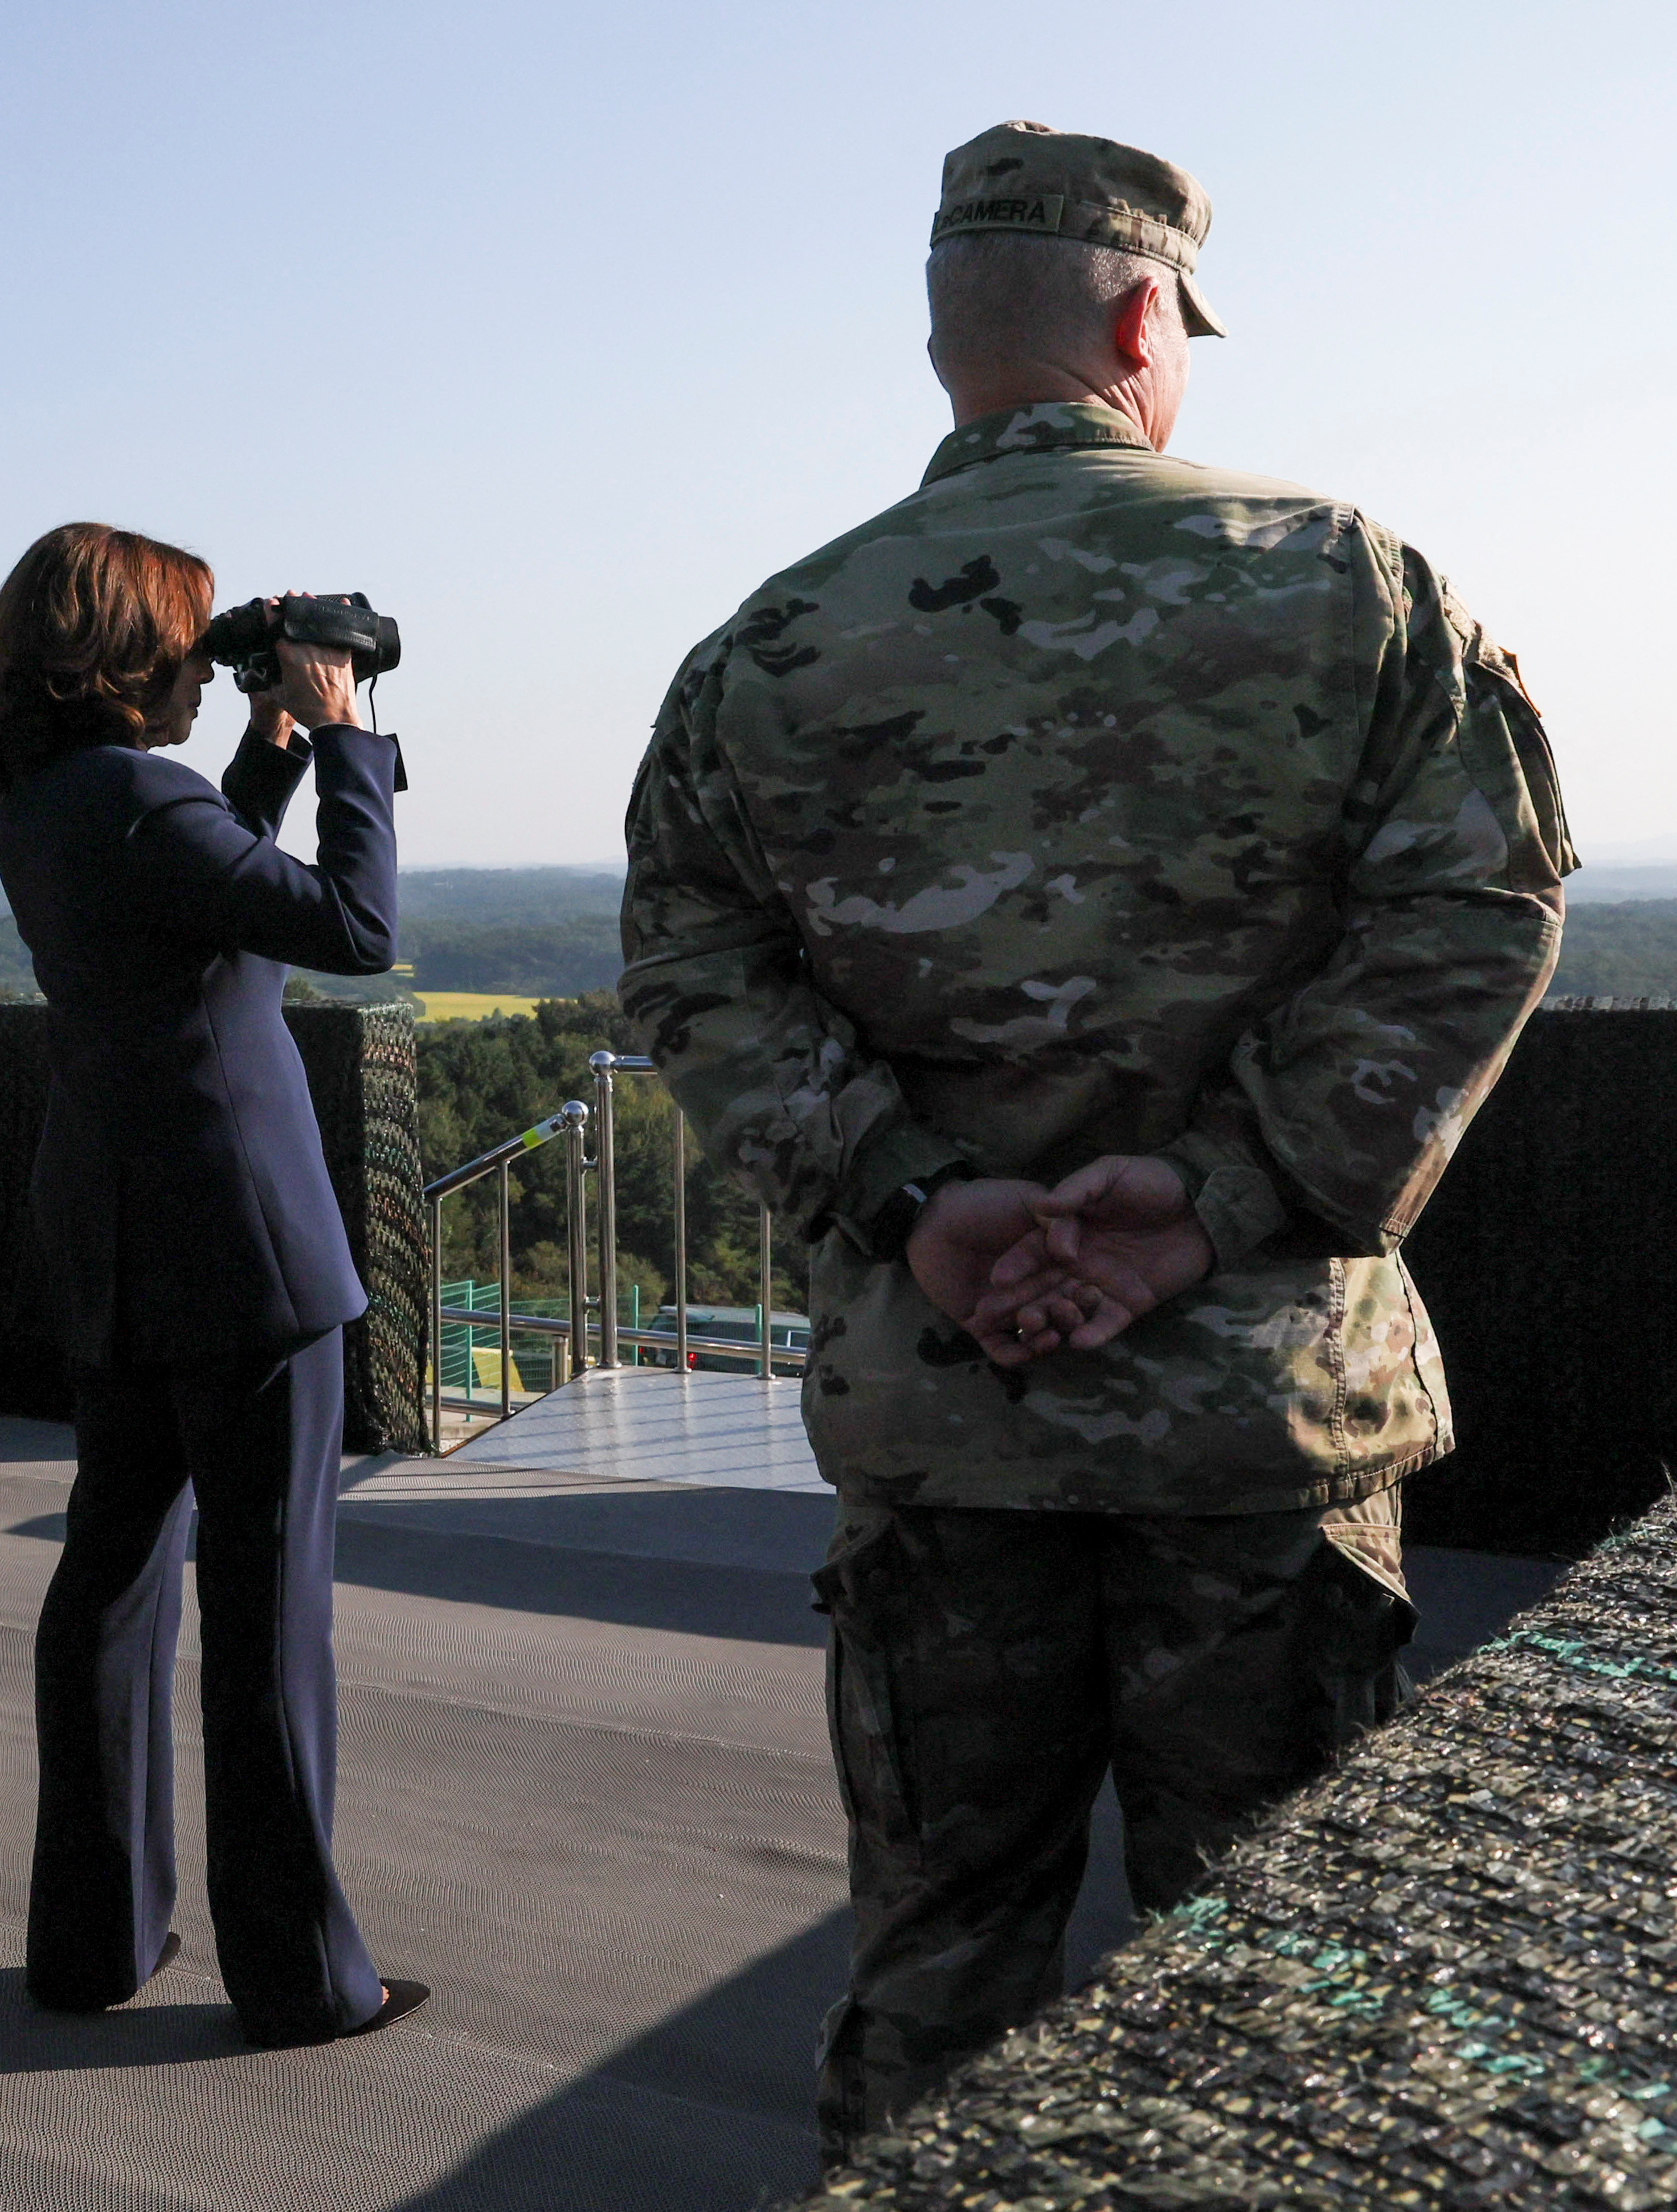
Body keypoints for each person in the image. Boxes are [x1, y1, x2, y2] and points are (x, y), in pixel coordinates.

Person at [618, 123, 1572, 2161]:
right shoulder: (1350, 587)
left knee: (941, 1960)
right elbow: (1475, 910)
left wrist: (918, 1204)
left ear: (949, 343)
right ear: (1144, 316)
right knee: (1270, 1993)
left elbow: (688, 968)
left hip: (942, 1416)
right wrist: (1213, 1202)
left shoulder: (766, 647)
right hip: (1254, 1423)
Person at [0, 522, 428, 2047]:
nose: (197, 661)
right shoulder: (130, 798)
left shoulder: (54, 801)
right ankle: (298, 1972)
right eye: (181, 642)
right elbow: (353, 932)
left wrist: (267, 742)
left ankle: (92, 1934)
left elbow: (197, 882)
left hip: (115, 1236)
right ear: (123, 657)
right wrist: (350, 741)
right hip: (243, 1251)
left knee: (109, 1580)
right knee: (264, 1608)